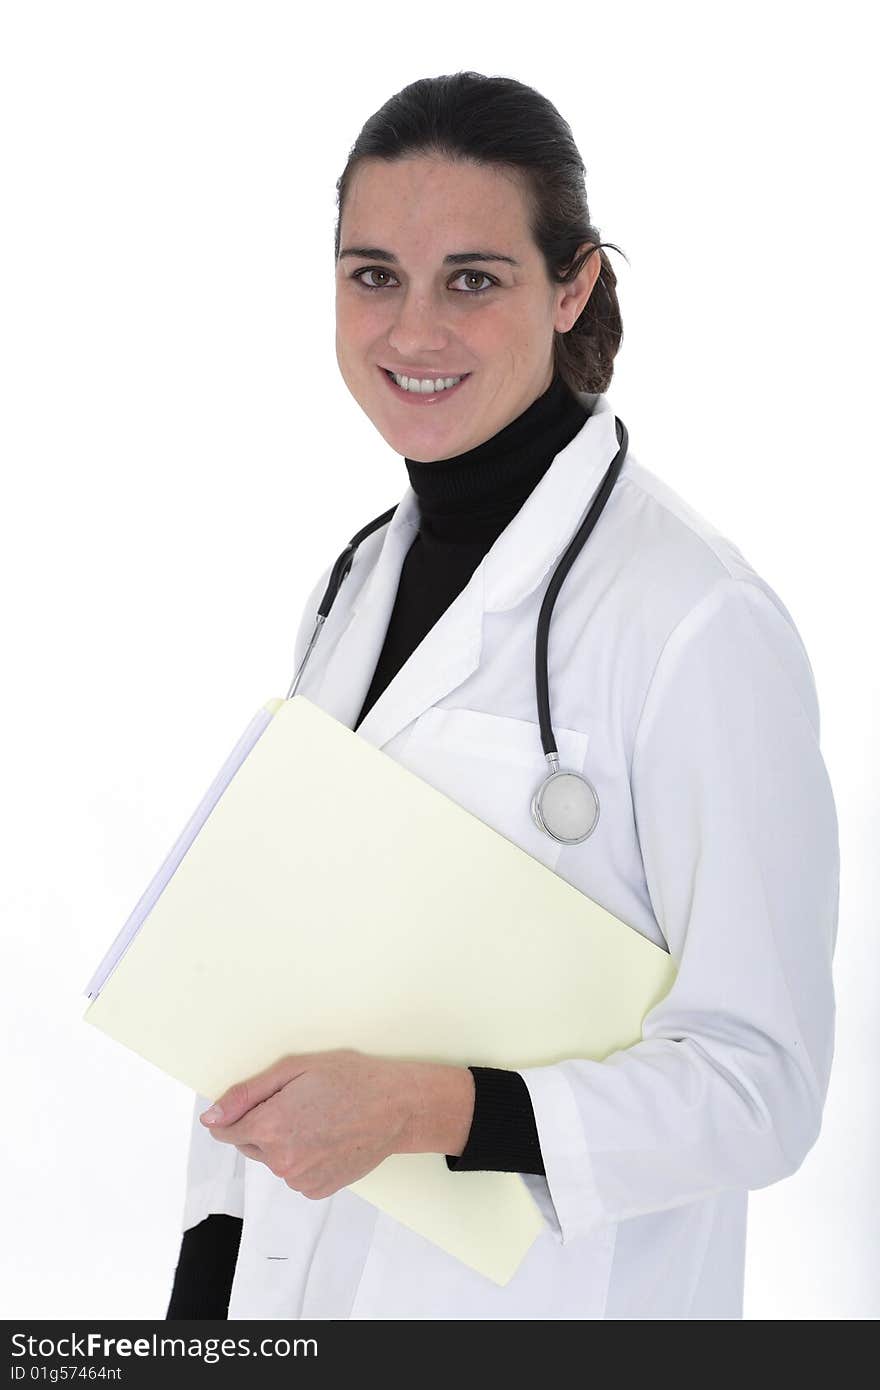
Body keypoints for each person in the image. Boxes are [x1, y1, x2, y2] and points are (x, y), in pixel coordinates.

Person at [165, 71, 839, 1321]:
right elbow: (277, 975)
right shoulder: (352, 585)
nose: (411, 332)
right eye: (375, 276)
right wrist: (201, 1312)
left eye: (471, 279)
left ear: (570, 285)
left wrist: (434, 1107)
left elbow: (763, 1087)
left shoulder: (696, 623)